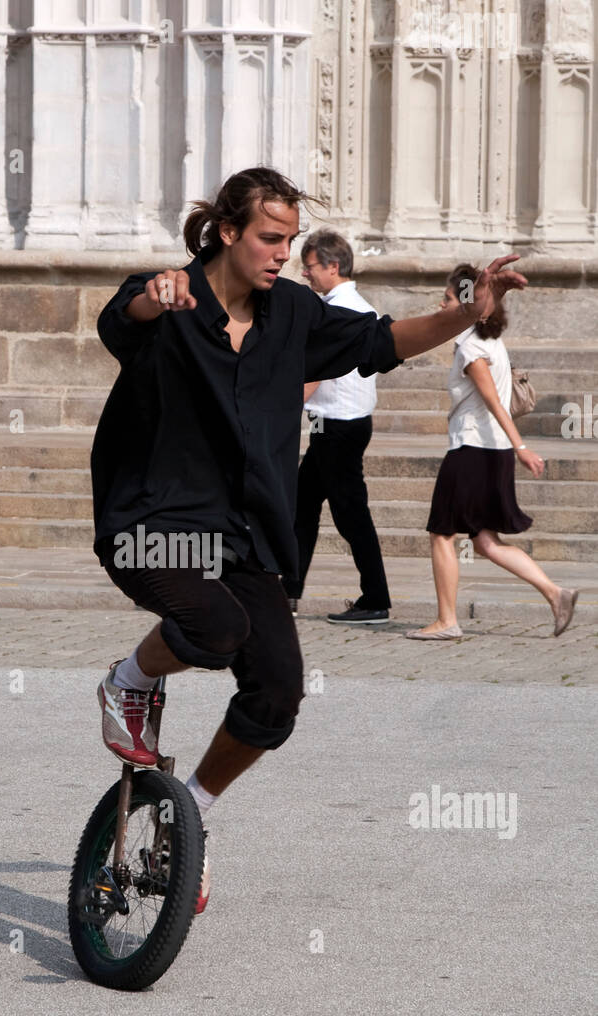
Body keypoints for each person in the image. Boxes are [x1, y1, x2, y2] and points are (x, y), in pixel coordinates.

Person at [91, 168, 527, 913]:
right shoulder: (169, 296)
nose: (282, 254)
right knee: (217, 625)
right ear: (228, 232)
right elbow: (121, 318)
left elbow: (386, 339)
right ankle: (129, 680)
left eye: (291, 241)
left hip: (248, 532)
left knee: (279, 695)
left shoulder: (294, 314)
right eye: (269, 238)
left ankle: (193, 807)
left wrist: (466, 310)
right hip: (152, 525)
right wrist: (151, 299)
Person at [405, 263, 578, 640]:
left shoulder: (470, 346)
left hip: (473, 449)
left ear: (465, 302)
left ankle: (446, 621)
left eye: (449, 297)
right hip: (491, 452)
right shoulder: (490, 341)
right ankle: (556, 593)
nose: (442, 303)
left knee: (441, 534)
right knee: (484, 542)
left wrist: (523, 447)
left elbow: (496, 403)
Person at [282, 229, 391, 623]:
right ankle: (289, 591)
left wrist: (283, 408)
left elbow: (317, 370)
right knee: (304, 507)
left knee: (350, 515)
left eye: (309, 267)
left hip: (338, 428)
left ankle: (375, 598)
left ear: (332, 266)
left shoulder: (339, 311)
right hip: (340, 425)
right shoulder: (357, 306)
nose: (305, 275)